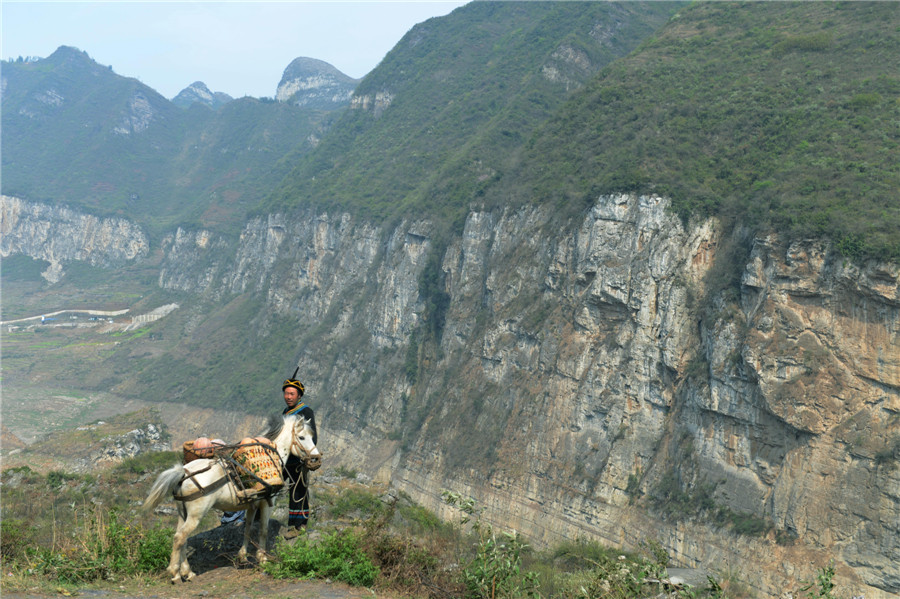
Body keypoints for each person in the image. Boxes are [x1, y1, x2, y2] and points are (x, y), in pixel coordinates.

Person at [281, 367, 317, 538]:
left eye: (292, 394)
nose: (288, 397)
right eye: (286, 394)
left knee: (299, 491)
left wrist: (305, 454)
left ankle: (299, 525)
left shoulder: (305, 412)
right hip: (284, 459)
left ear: (299, 396)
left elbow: (311, 437)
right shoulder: (285, 413)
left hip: (298, 459)